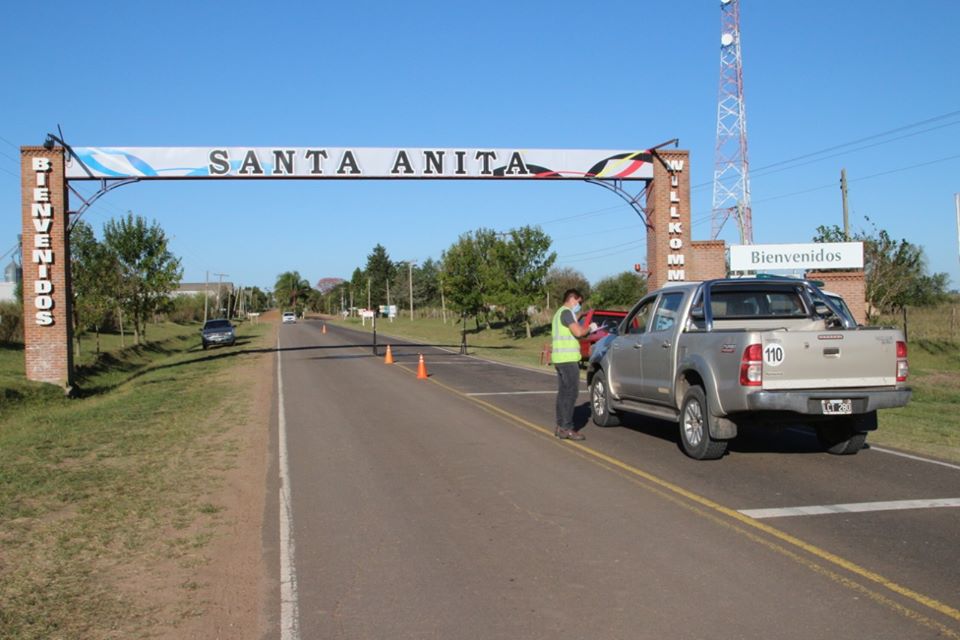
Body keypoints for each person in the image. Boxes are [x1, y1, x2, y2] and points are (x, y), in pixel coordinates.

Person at [551, 289, 597, 440]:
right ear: (572, 299)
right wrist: (591, 328)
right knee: (571, 393)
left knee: (563, 393)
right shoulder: (566, 312)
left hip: (560, 358)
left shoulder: (559, 313)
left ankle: (560, 427)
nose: (579, 305)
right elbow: (578, 333)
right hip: (568, 359)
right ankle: (567, 428)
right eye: (579, 302)